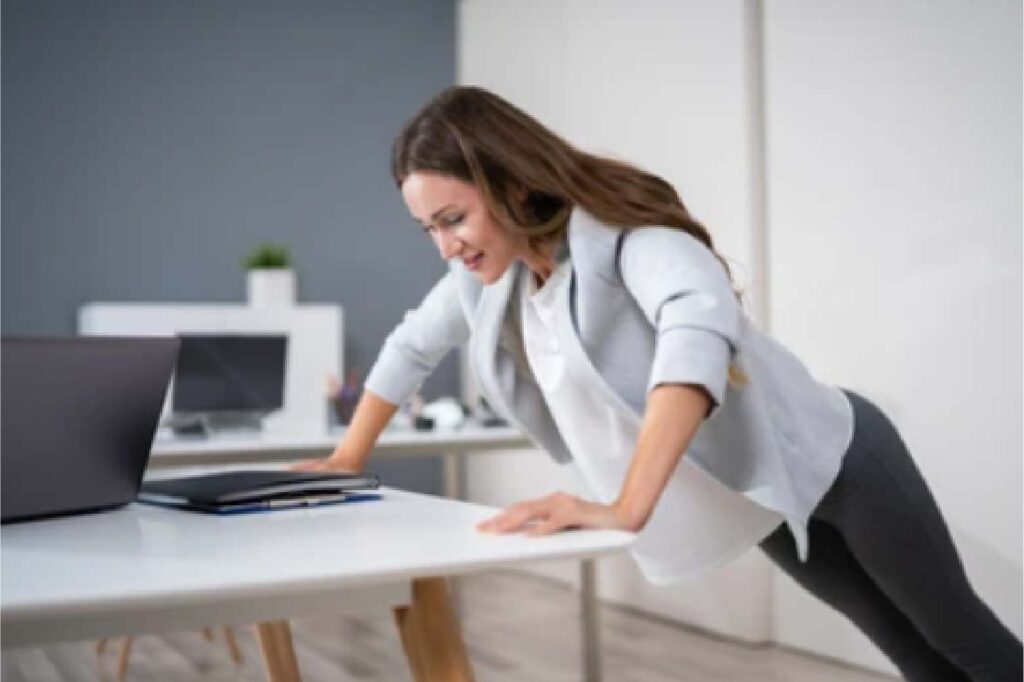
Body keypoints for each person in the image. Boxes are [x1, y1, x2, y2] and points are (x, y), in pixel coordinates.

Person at [294, 86, 1021, 681]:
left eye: (453, 218)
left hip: (846, 462)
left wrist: (625, 506)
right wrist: (347, 458)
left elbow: (696, 335)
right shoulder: (490, 283)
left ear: (509, 182)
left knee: (967, 645)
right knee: (915, 660)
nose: (446, 246)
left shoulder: (630, 241)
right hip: (760, 493)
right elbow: (411, 347)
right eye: (428, 229)